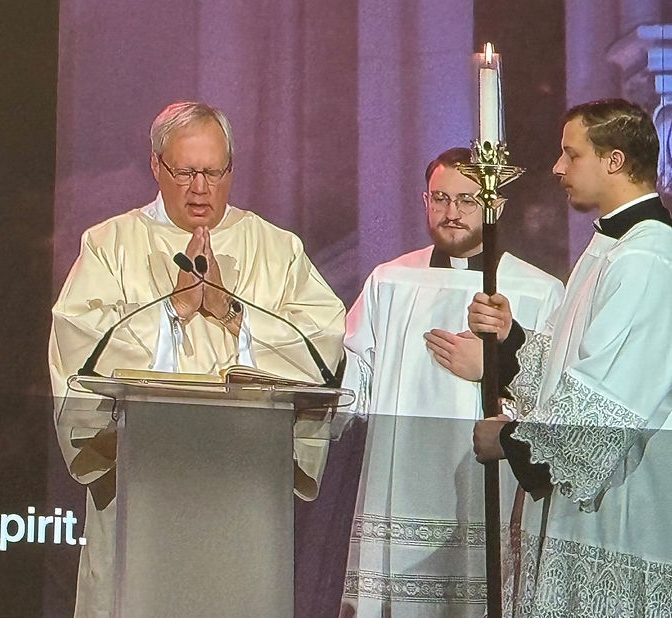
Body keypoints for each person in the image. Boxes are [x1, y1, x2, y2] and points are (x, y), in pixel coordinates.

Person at [49, 101, 346, 617]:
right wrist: (175, 310)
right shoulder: (110, 244)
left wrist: (235, 316)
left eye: (214, 172)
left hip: (243, 480)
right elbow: (80, 347)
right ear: (155, 167)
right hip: (143, 480)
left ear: (232, 168)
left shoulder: (276, 248)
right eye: (185, 172)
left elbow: (322, 345)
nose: (201, 189)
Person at [339, 147, 563, 617]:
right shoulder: (391, 281)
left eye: (466, 200)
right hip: (401, 479)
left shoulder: (537, 290)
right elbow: (352, 375)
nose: (452, 213)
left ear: (493, 206)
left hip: (487, 480)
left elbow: (556, 396)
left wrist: (495, 368)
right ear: (424, 201)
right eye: (440, 198)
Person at [469, 99, 672, 616]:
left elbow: (610, 395)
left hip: (622, 504)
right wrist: (511, 339)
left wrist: (511, 440)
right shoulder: (610, 246)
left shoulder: (647, 257)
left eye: (571, 154)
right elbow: (571, 362)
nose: (558, 169)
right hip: (587, 504)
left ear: (615, 160)